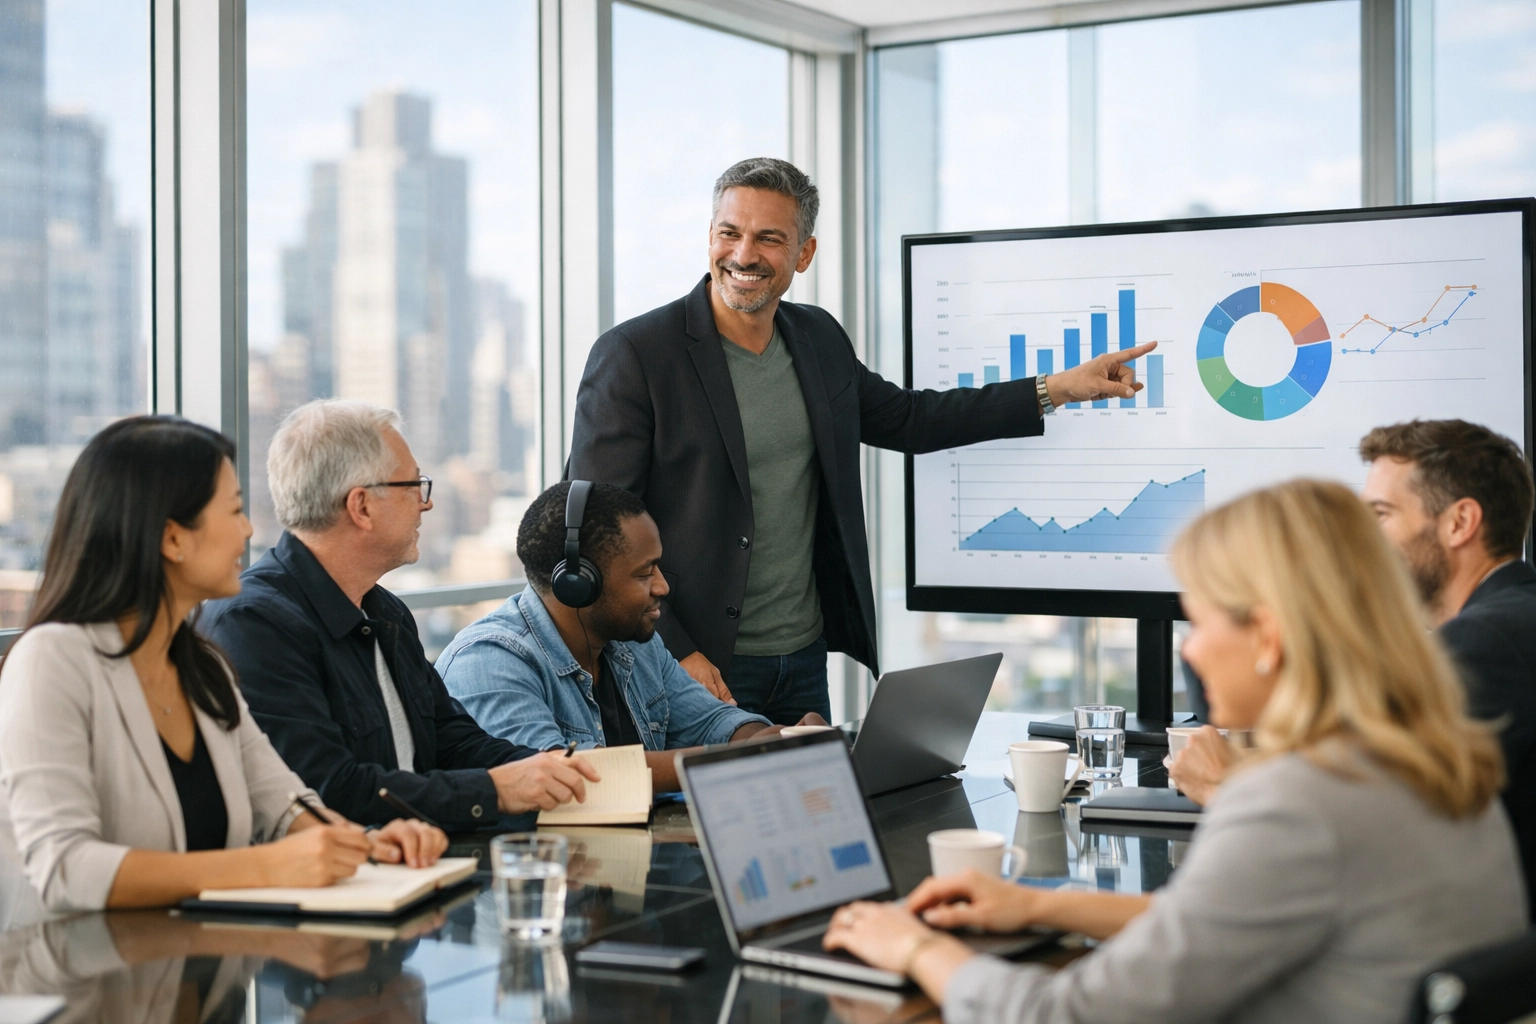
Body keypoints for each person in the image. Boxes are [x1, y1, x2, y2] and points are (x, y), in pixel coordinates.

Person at [822, 479, 1525, 1023]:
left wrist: (915, 947)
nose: (1191, 648)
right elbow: (1221, 924)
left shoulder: (1296, 806)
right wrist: (1036, 906)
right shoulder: (1424, 763)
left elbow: (1065, 1016)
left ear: (1268, 636)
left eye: (1201, 620)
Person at [568, 157, 1154, 723]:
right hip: (691, 664)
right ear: (710, 238)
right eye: (730, 233)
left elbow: (911, 419)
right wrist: (677, 651)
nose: (743, 255)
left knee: (814, 794)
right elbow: (597, 525)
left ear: (804, 253)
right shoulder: (636, 355)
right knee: (701, 798)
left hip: (802, 658)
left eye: (769, 239)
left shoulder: (817, 338)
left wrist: (1058, 388)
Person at [0, 416, 445, 928]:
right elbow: (64, 867)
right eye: (234, 510)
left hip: (199, 966)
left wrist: (366, 844)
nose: (249, 529)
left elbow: (283, 807)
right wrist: (266, 867)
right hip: (81, 972)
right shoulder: (52, 660)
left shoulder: (202, 666)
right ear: (172, 538)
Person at [1172, 419, 1536, 912]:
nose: (1365, 542)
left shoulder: (1482, 643)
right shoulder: (1512, 618)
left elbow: (1382, 840)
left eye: (1381, 515)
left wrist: (1226, 789)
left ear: (1459, 523)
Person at [202, 400, 600, 830]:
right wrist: (495, 790)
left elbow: (453, 741)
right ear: (361, 507)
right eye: (414, 485)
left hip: (421, 857)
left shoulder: (385, 610)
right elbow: (325, 790)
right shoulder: (253, 624)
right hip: (353, 868)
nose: (425, 505)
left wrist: (550, 770)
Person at [439, 482, 826, 793]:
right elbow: (563, 779)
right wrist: (738, 760)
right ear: (578, 584)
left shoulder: (632, 643)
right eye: (644, 574)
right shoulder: (487, 662)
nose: (662, 587)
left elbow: (713, 723)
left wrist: (778, 741)